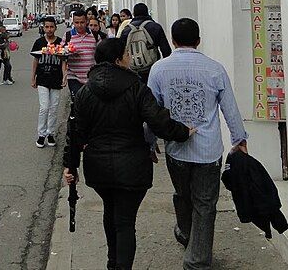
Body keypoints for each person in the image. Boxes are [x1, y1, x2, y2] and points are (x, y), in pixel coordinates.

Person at [63, 38, 195, 270]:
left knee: (110, 212)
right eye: (127, 54)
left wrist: (70, 166)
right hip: (132, 166)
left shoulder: (84, 92)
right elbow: (158, 121)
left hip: (98, 167)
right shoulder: (137, 88)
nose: (131, 58)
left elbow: (75, 133)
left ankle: (112, 264)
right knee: (125, 222)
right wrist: (183, 131)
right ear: (117, 60)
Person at [147, 18, 248, 270]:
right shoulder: (215, 69)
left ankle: (188, 236)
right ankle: (197, 258)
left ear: (172, 40)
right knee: (205, 204)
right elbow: (230, 109)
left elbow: (151, 112)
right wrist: (239, 139)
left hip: (176, 150)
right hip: (208, 151)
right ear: (199, 40)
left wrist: (149, 143)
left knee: (183, 195)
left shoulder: (159, 69)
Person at [30, 16, 67, 147]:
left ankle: (51, 133)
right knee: (44, 107)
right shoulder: (39, 42)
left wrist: (64, 76)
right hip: (42, 79)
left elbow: (63, 61)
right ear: (43, 28)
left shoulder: (61, 43)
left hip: (56, 79)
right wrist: (33, 77)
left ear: (55, 28)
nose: (49, 29)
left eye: (51, 27)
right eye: (47, 27)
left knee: (53, 108)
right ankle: (41, 135)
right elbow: (35, 60)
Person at [120, 3, 172, 82]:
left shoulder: (126, 30)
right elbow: (166, 50)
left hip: (133, 70)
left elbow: (121, 50)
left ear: (133, 14)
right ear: (147, 12)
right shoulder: (155, 27)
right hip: (152, 68)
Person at [64, 9, 97, 97]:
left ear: (86, 21)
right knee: (77, 102)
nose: (79, 25)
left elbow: (101, 53)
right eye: (76, 22)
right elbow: (62, 53)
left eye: (82, 22)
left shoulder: (95, 35)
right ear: (73, 22)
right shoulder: (68, 36)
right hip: (73, 77)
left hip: (91, 77)